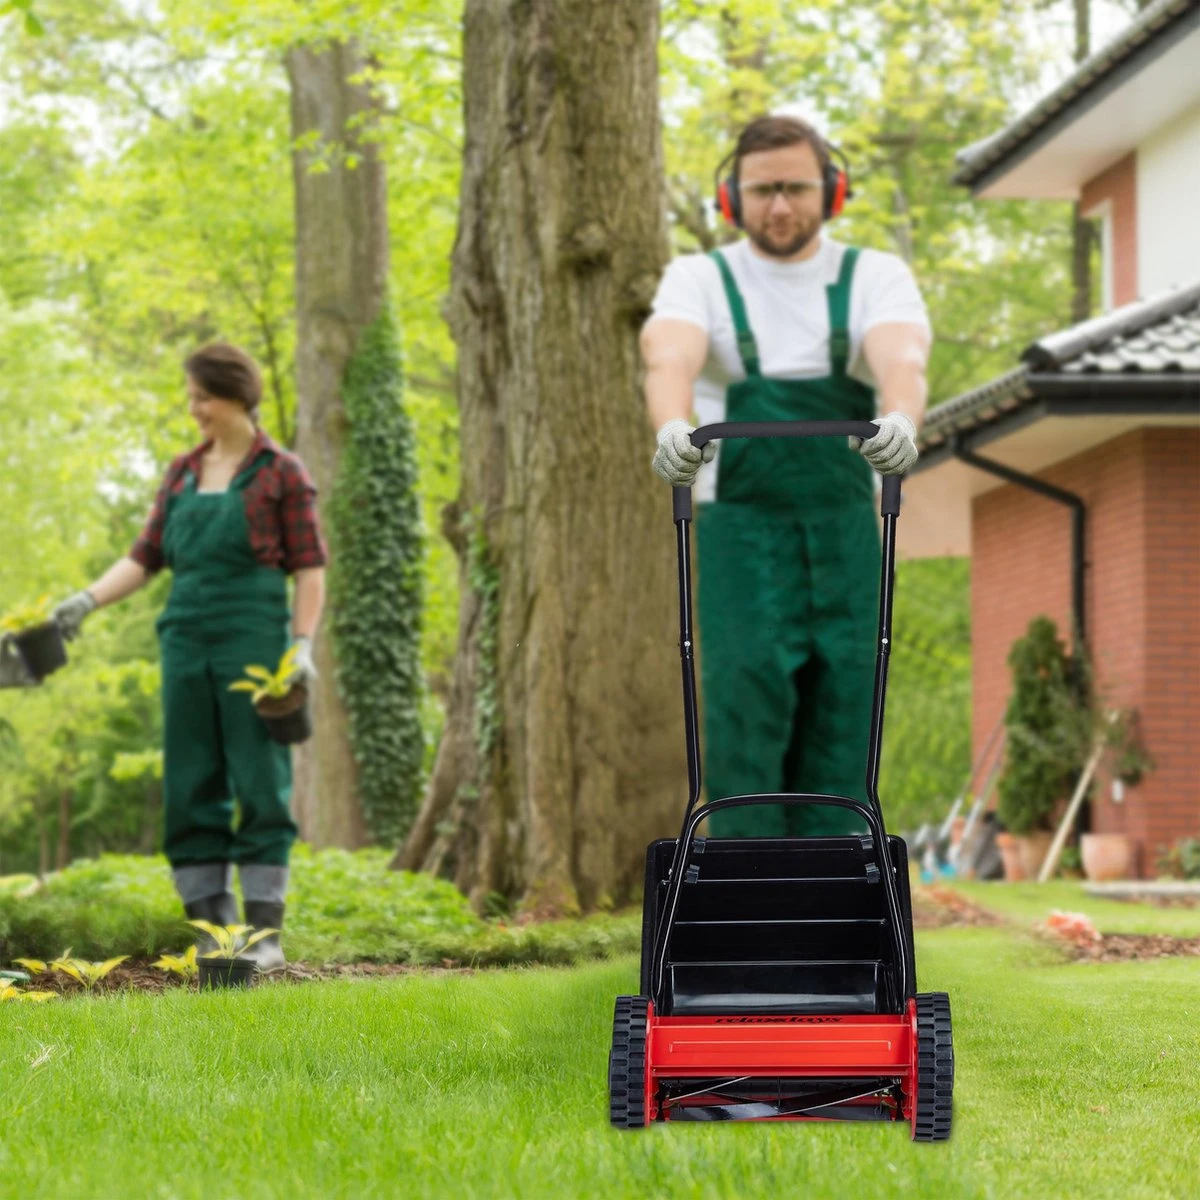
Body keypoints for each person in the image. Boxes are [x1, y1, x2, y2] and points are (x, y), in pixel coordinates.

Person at [641, 114, 930, 837]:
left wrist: (901, 421)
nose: (778, 207)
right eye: (762, 190)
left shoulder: (873, 276)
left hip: (845, 533)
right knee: (744, 705)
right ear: (731, 198)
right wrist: (673, 427)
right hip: (740, 531)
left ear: (832, 191)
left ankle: (840, 906)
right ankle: (745, 903)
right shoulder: (699, 278)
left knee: (846, 708)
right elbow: (668, 355)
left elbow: (902, 359)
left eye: (795, 188)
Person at [47, 343, 327, 970]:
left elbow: (309, 571)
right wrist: (84, 602)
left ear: (235, 395)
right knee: (190, 778)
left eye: (203, 396)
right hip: (185, 644)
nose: (194, 407)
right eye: (192, 396)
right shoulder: (180, 473)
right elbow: (145, 557)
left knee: (260, 779)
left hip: (255, 647)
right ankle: (212, 928)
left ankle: (264, 934)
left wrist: (302, 646)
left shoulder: (281, 471)